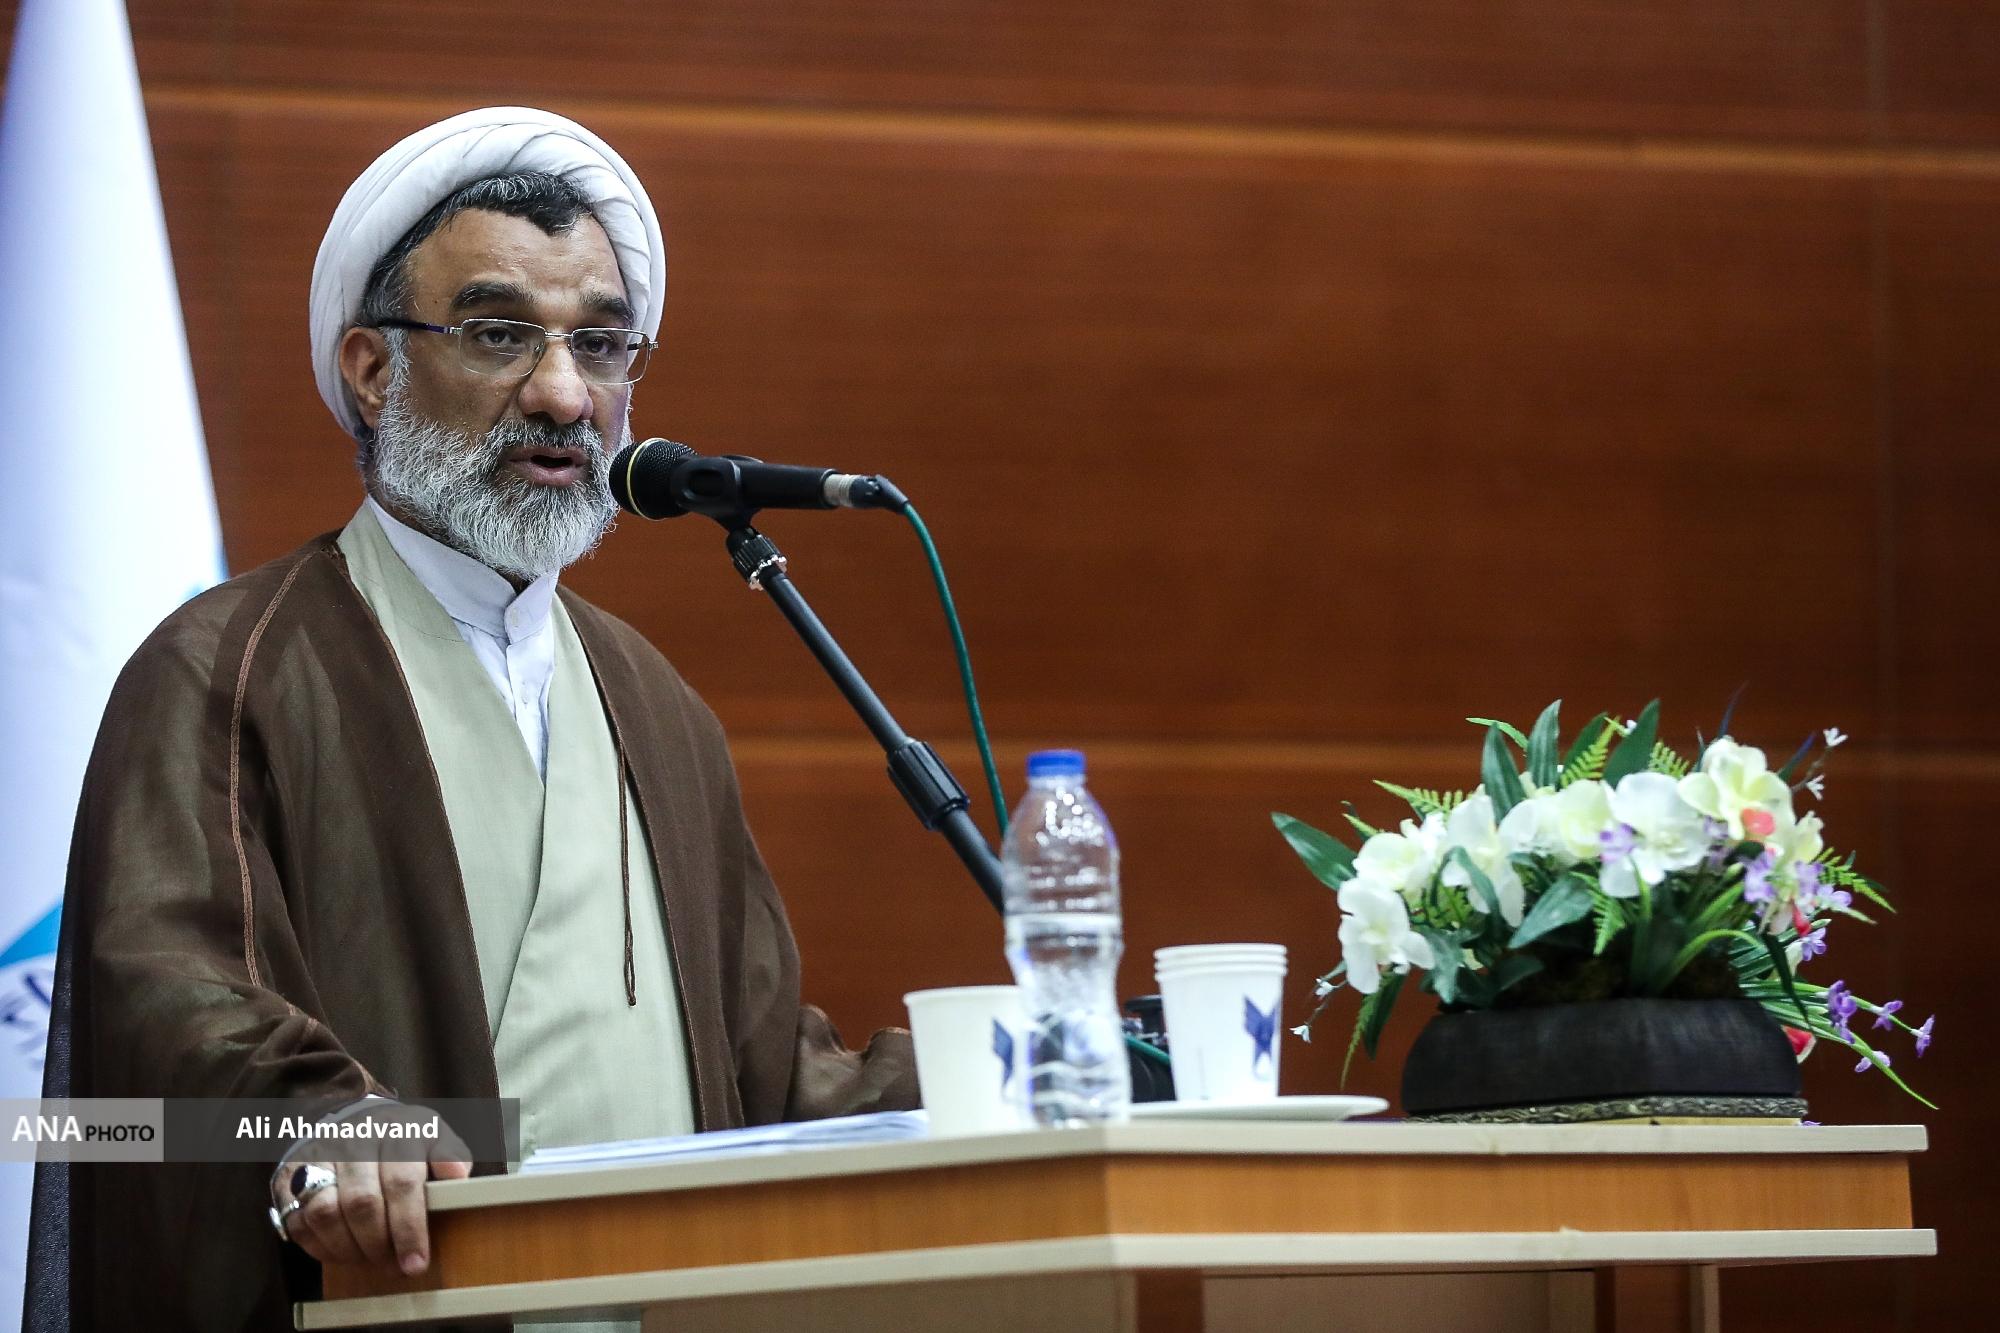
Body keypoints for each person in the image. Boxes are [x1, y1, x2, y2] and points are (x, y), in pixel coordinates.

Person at [25, 106, 917, 1333]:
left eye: (600, 344)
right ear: (371, 369)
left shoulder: (655, 702)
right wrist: (328, 1126)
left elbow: (760, 1078)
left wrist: (1020, 1068)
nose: (562, 392)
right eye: (499, 333)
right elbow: (146, 1059)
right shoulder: (227, 668)